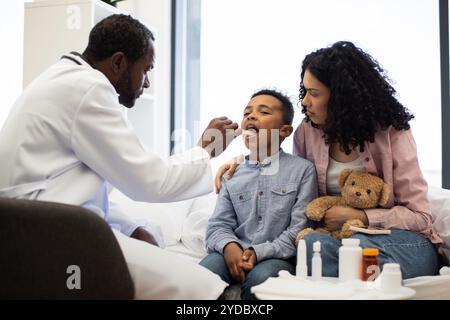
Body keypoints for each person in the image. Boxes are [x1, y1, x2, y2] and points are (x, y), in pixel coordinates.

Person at [0, 14, 239, 299]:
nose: (147, 83)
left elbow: (70, 190)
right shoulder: (89, 88)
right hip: (54, 237)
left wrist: (131, 227)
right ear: (118, 63)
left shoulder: (64, 79)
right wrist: (205, 150)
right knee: (204, 288)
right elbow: (151, 181)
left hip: (33, 231)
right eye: (146, 69)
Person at [216, 41, 443, 280]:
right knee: (314, 245)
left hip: (393, 239)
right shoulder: (307, 131)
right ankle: (368, 278)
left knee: (387, 252)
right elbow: (290, 173)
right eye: (305, 91)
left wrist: (364, 218)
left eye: (314, 94)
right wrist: (244, 163)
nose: (304, 101)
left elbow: (420, 216)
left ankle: (356, 274)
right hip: (332, 240)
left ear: (341, 98)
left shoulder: (392, 132)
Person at [200, 89, 318, 299]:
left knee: (261, 280)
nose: (251, 116)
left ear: (284, 131)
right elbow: (218, 225)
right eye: (247, 113)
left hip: (277, 256)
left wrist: (257, 252)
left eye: (263, 112)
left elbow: (299, 230)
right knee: (202, 275)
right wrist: (229, 247)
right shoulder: (232, 173)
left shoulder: (303, 170)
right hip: (235, 250)